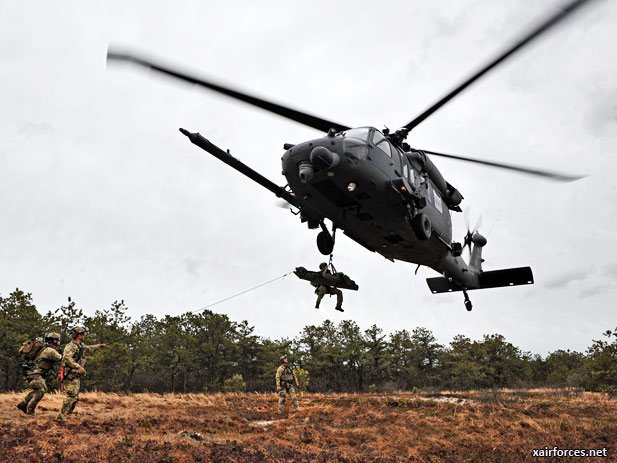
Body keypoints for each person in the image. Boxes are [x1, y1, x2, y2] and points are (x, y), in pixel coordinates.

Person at [56, 326, 107, 420]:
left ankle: (68, 415)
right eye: (82, 334)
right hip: (70, 375)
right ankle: (61, 417)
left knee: (75, 398)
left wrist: (100, 346)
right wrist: (78, 367)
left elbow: (89, 348)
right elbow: (66, 359)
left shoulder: (80, 346)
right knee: (71, 396)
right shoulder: (71, 346)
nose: (84, 336)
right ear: (78, 335)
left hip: (76, 375)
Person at [16, 332, 62, 415]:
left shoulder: (46, 349)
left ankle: (23, 404)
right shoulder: (50, 351)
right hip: (35, 374)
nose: (59, 341)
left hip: (32, 373)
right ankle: (30, 412)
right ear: (54, 341)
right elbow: (62, 359)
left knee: (41, 390)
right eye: (58, 340)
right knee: (40, 392)